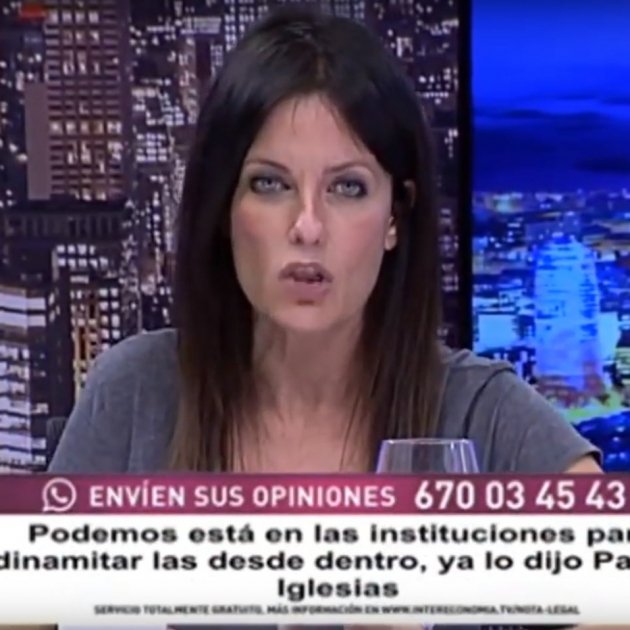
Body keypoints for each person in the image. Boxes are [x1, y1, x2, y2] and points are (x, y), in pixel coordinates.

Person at [48, 6, 601, 630]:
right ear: (224, 206)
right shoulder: (137, 392)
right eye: (270, 184)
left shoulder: (480, 414)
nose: (307, 227)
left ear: (396, 216)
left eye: (347, 188)